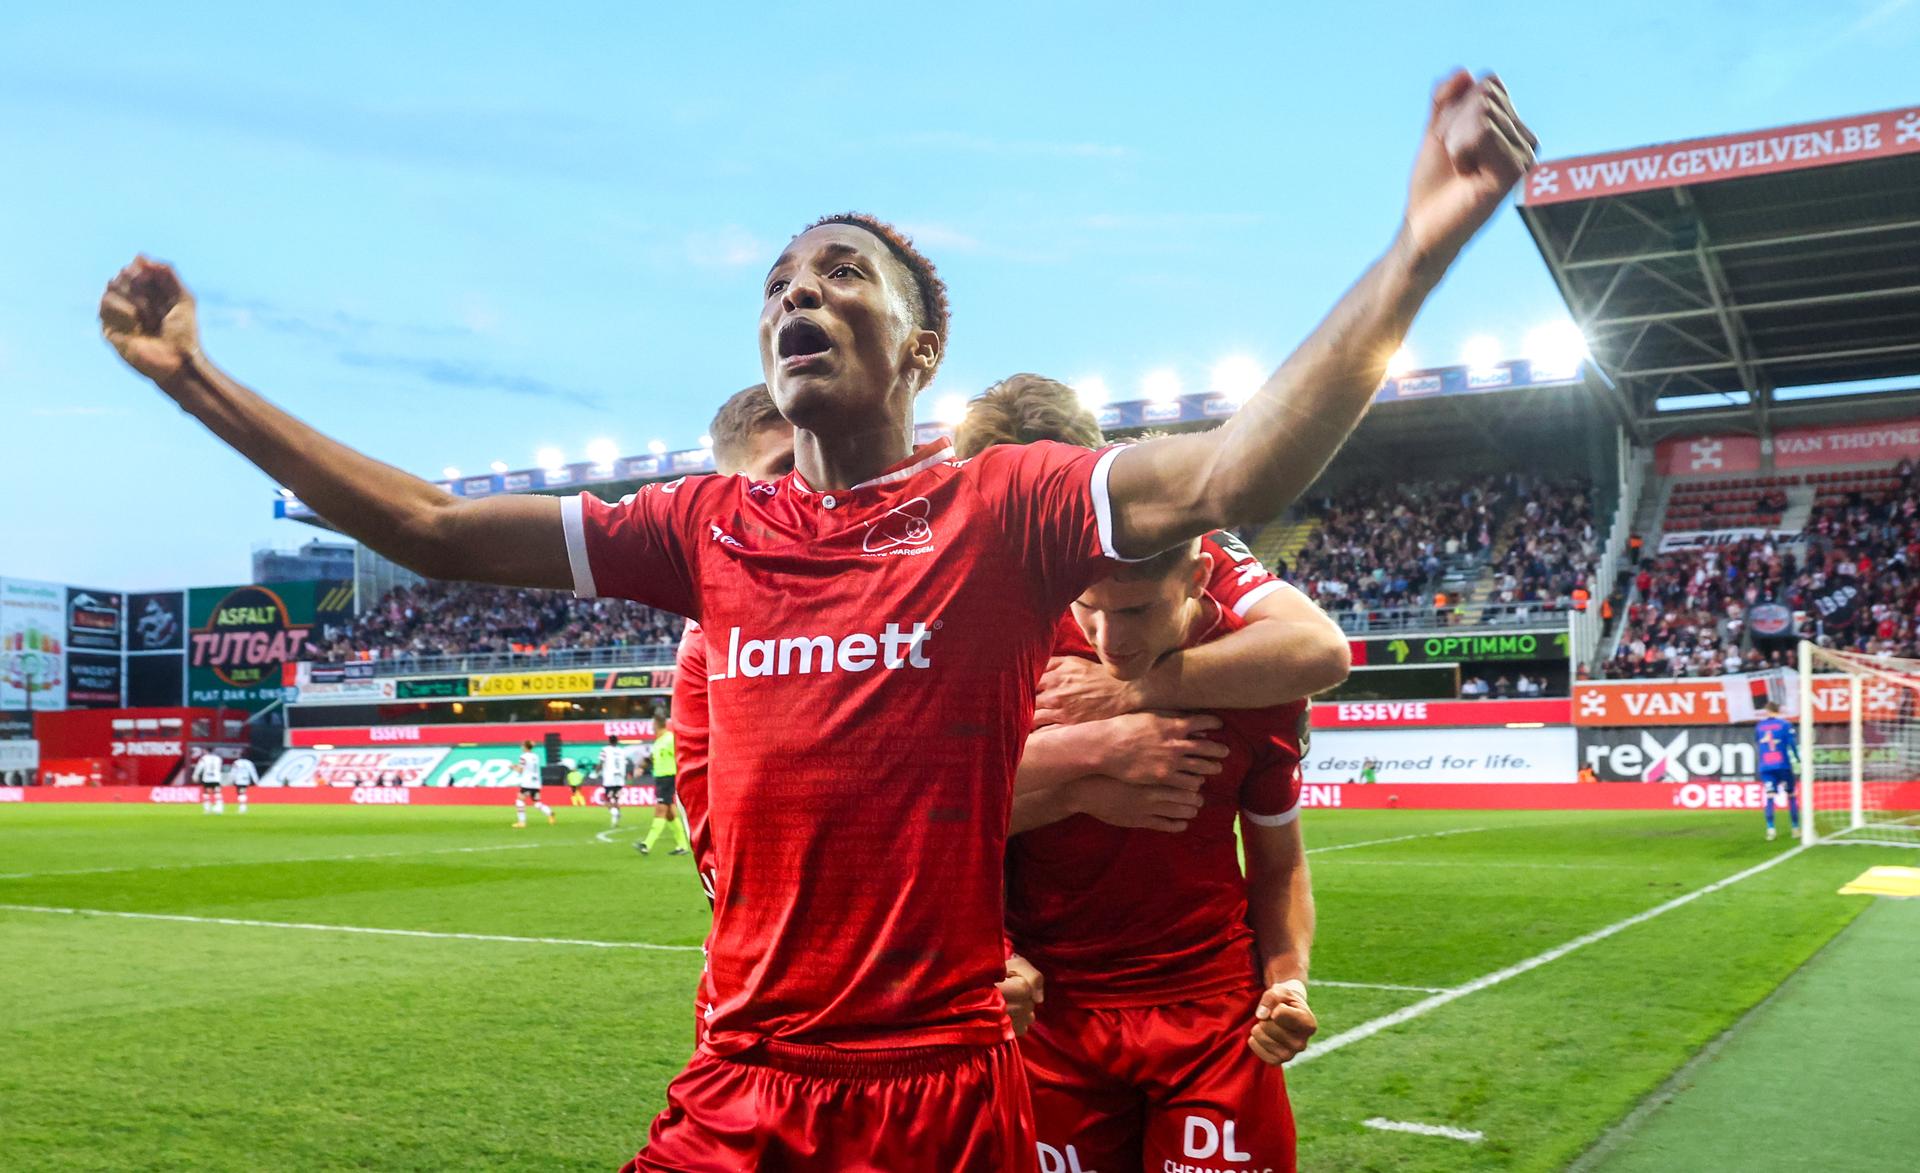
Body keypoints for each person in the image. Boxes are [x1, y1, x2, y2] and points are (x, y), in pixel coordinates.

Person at [98, 71, 1534, 1170]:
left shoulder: (1003, 511)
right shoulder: (706, 527)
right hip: (740, 1084)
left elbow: (1233, 471)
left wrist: (1416, 249)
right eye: (781, 282)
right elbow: (421, 523)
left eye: (843, 272)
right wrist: (195, 382)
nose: (803, 292)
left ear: (921, 350)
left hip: (946, 1089)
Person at [1006, 540, 1316, 1172]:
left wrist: (1287, 981)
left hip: (1212, 1017)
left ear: (1200, 578)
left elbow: (1279, 864)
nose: (1108, 638)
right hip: (1051, 1011)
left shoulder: (1262, 679)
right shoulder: (1021, 652)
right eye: (1089, 607)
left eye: (1138, 611)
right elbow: (940, 827)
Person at [639, 725, 689, 857]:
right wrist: (642, 766)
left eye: (653, 726)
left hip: (668, 778)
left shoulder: (669, 739)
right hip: (661, 779)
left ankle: (647, 844)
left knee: (660, 810)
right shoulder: (658, 741)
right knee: (670, 813)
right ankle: (682, 845)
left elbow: (681, 755)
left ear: (657, 725)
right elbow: (652, 758)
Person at [1754, 702, 1800, 841]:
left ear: (1767, 711)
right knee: (1791, 795)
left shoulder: (1759, 726)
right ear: (1778, 711)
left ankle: (1771, 829)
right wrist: (1798, 759)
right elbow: (1791, 744)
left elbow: (1758, 744)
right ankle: (1795, 828)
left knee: (1770, 796)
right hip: (1782, 765)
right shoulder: (1785, 725)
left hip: (1766, 766)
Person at [512, 739, 555, 828]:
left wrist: (513, 767)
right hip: (536, 782)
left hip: (527, 783)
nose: (521, 747)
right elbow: (529, 768)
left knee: (519, 800)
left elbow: (520, 770)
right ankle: (549, 813)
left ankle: (522, 822)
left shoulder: (523, 757)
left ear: (525, 747)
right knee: (536, 803)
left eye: (522, 745)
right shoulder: (535, 756)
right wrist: (517, 766)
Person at [599, 735, 631, 829]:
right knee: (616, 799)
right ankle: (615, 822)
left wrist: (595, 772)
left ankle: (615, 813)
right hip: (620, 779)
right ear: (617, 741)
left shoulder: (605, 750)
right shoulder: (622, 751)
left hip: (609, 779)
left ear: (609, 741)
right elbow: (625, 764)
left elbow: (601, 762)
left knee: (605, 799)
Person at [191, 750, 224, 814]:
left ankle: (207, 809)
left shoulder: (204, 758)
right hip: (216, 777)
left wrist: (195, 775)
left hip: (207, 777)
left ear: (207, 751)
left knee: (206, 792)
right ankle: (219, 807)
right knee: (217, 792)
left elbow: (200, 767)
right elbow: (219, 768)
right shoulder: (218, 758)